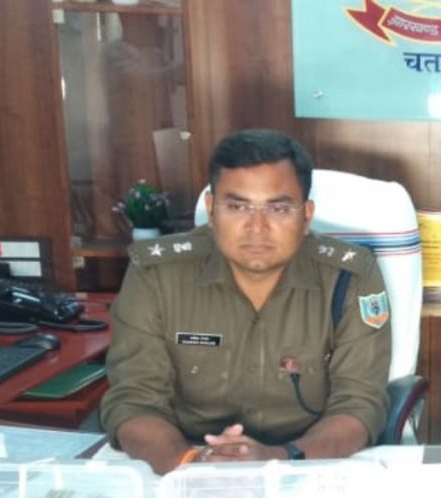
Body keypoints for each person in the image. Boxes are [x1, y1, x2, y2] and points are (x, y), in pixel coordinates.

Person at [100, 128, 392, 474]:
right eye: (237, 206)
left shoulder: (349, 276)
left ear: (306, 215)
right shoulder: (156, 274)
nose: (257, 227)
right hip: (184, 462)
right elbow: (134, 401)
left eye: (278, 208)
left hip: (305, 464)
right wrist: (191, 467)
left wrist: (277, 460)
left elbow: (358, 405)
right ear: (212, 210)